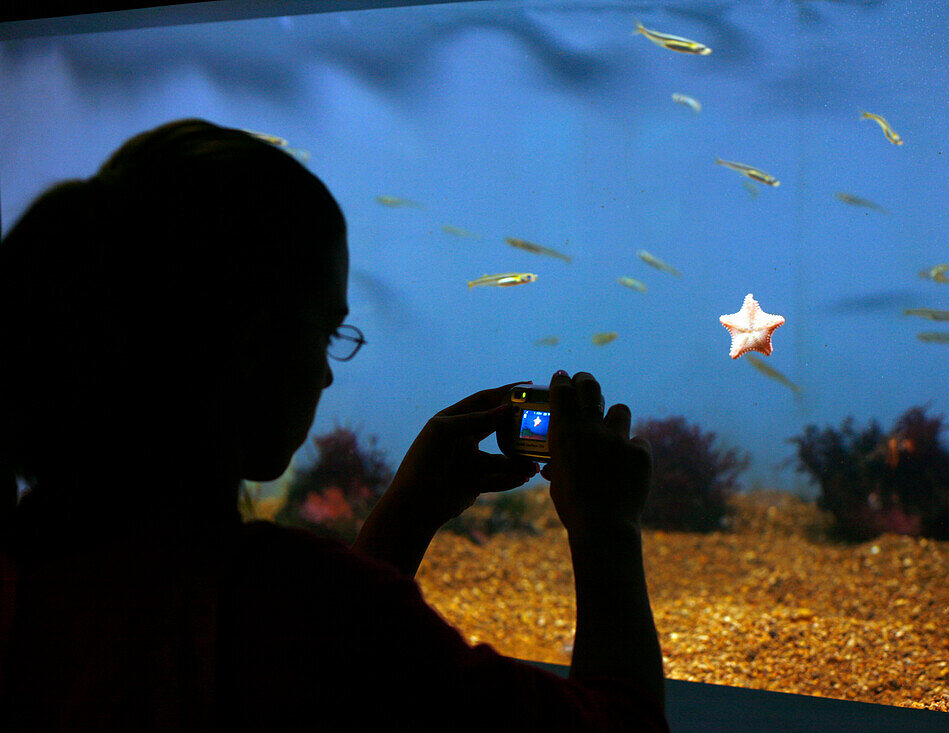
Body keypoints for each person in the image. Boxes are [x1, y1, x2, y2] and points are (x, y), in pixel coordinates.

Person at [0, 119, 667, 731]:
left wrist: (406, 515)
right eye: (326, 331)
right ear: (254, 343)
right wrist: (607, 525)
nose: (325, 374)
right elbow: (621, 724)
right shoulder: (302, 603)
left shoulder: (31, 570)